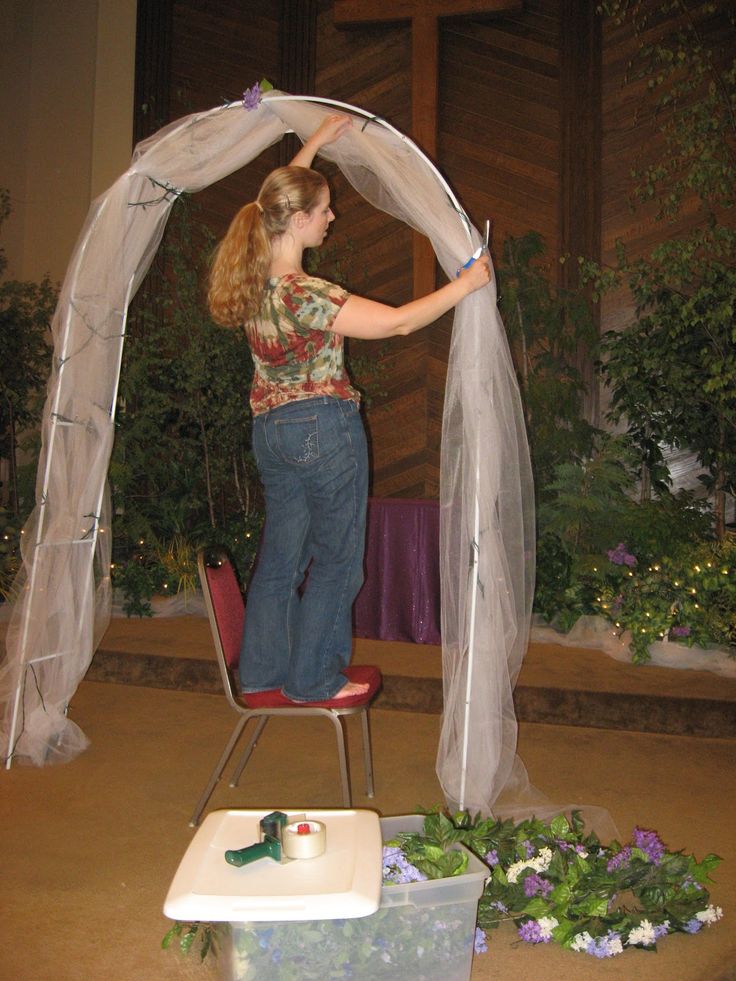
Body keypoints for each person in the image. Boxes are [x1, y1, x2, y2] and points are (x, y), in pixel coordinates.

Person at [208, 114, 491, 702]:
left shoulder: (255, 280)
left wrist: (314, 145)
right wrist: (466, 285)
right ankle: (314, 679)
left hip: (270, 431)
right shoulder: (307, 294)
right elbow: (397, 322)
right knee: (339, 562)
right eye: (326, 209)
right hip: (323, 430)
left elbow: (277, 195)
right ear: (300, 219)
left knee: (283, 557)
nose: (332, 217)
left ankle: (263, 672)